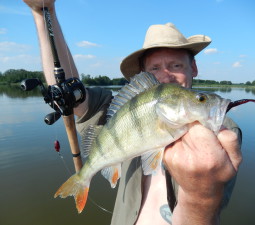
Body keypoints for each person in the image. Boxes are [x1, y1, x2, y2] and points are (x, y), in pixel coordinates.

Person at [23, 1, 242, 224]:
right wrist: (43, 14)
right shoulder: (116, 109)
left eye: (176, 65)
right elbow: (69, 92)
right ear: (142, 73)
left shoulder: (224, 133)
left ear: (193, 68)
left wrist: (201, 197)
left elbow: (210, 214)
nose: (165, 76)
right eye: (155, 68)